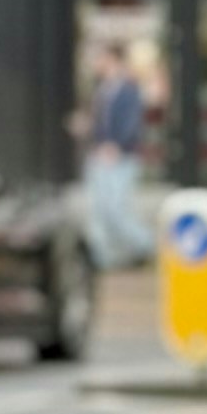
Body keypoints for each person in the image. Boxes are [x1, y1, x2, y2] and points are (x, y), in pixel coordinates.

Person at [81, 43, 151, 268]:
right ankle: (101, 257)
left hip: (120, 157)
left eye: (98, 58)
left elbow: (133, 122)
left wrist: (117, 145)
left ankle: (145, 245)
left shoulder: (128, 89)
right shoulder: (102, 89)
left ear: (111, 58)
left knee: (115, 209)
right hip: (99, 155)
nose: (95, 64)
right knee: (99, 210)